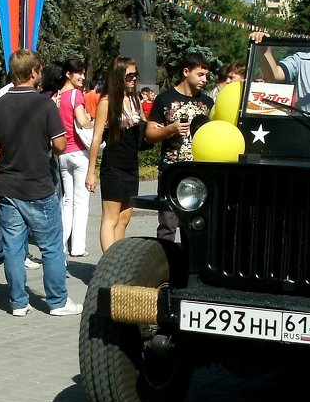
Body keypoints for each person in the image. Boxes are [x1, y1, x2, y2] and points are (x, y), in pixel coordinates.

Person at [0, 49, 79, 316]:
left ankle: (18, 302)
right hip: (39, 185)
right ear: (35, 72)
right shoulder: (45, 104)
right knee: (50, 247)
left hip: (9, 186)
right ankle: (58, 301)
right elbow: (60, 145)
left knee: (14, 247)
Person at [146, 53, 215, 242]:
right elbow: (149, 134)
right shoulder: (164, 99)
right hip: (171, 170)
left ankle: (190, 270)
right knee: (168, 224)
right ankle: (165, 267)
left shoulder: (208, 103)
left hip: (199, 173)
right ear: (186, 72)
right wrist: (170, 129)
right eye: (200, 74)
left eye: (206, 76)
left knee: (194, 226)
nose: (204, 80)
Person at [86, 57, 144, 252]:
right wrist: (91, 171)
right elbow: (96, 138)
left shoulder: (135, 99)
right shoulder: (107, 101)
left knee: (124, 218)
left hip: (131, 164)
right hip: (113, 165)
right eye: (129, 75)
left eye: (136, 75)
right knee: (110, 218)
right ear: (118, 76)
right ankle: (108, 265)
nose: (133, 79)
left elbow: (144, 128)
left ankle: (118, 262)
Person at [57, 58, 93, 258]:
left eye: (83, 72)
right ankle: (78, 246)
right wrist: (91, 121)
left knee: (67, 200)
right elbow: (82, 121)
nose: (82, 76)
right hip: (79, 152)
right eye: (78, 72)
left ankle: (60, 244)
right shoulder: (76, 95)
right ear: (68, 74)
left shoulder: (57, 97)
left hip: (63, 154)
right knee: (80, 201)